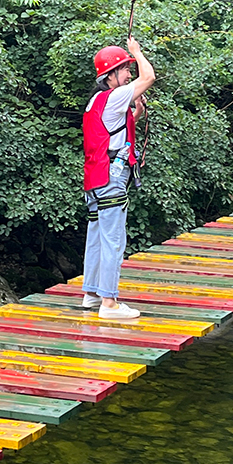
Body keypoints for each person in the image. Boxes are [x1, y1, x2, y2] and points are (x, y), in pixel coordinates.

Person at [81, 36, 155, 320]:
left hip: (95, 178)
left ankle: (91, 294)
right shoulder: (114, 96)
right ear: (110, 75)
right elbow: (149, 76)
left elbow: (113, 131)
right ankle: (109, 303)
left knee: (98, 236)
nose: (129, 74)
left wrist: (137, 111)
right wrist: (136, 51)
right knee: (114, 239)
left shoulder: (97, 101)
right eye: (125, 68)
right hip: (111, 176)